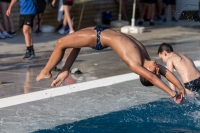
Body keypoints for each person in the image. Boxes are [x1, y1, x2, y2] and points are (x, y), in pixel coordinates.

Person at [36, 26, 185, 104]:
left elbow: (154, 79)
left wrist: (172, 95)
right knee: (74, 44)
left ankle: (46, 71)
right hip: (101, 29)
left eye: (155, 71)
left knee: (61, 42)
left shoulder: (135, 64)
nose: (158, 68)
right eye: (158, 70)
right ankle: (65, 70)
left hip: (98, 38)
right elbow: (165, 72)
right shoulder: (145, 56)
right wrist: (179, 88)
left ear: (146, 72)